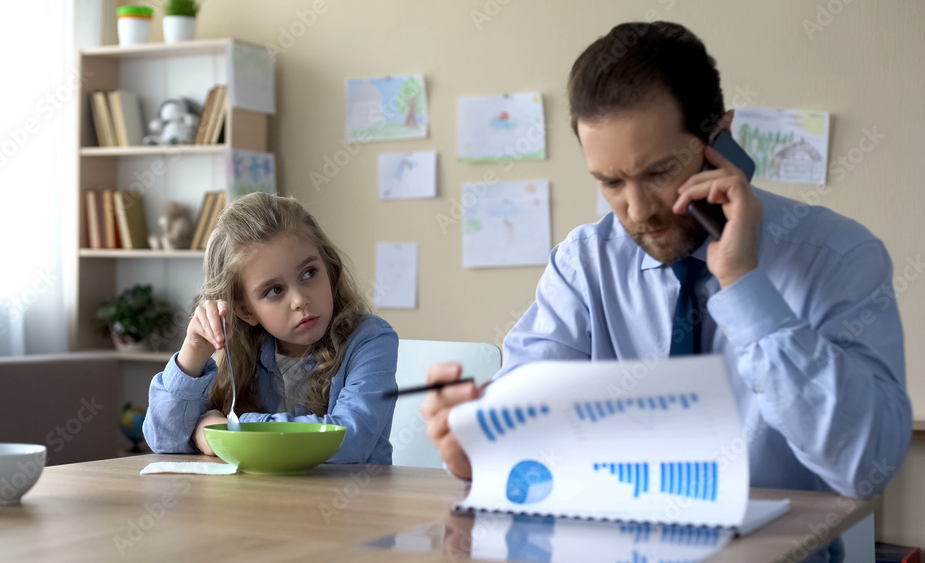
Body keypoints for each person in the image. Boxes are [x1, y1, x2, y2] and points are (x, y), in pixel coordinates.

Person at [422, 21, 911, 562]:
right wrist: (481, 447)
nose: (637, 209)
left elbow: (866, 468)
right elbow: (528, 431)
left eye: (658, 171)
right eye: (610, 182)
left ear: (721, 139)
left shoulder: (840, 256)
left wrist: (744, 285)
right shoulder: (584, 265)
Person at [144, 192, 399, 464]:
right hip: (257, 504)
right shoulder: (240, 351)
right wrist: (193, 352)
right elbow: (164, 441)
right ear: (245, 310)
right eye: (275, 290)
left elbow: (350, 440)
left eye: (309, 273)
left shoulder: (371, 339)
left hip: (352, 504)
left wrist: (227, 429)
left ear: (329, 267)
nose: (300, 299)